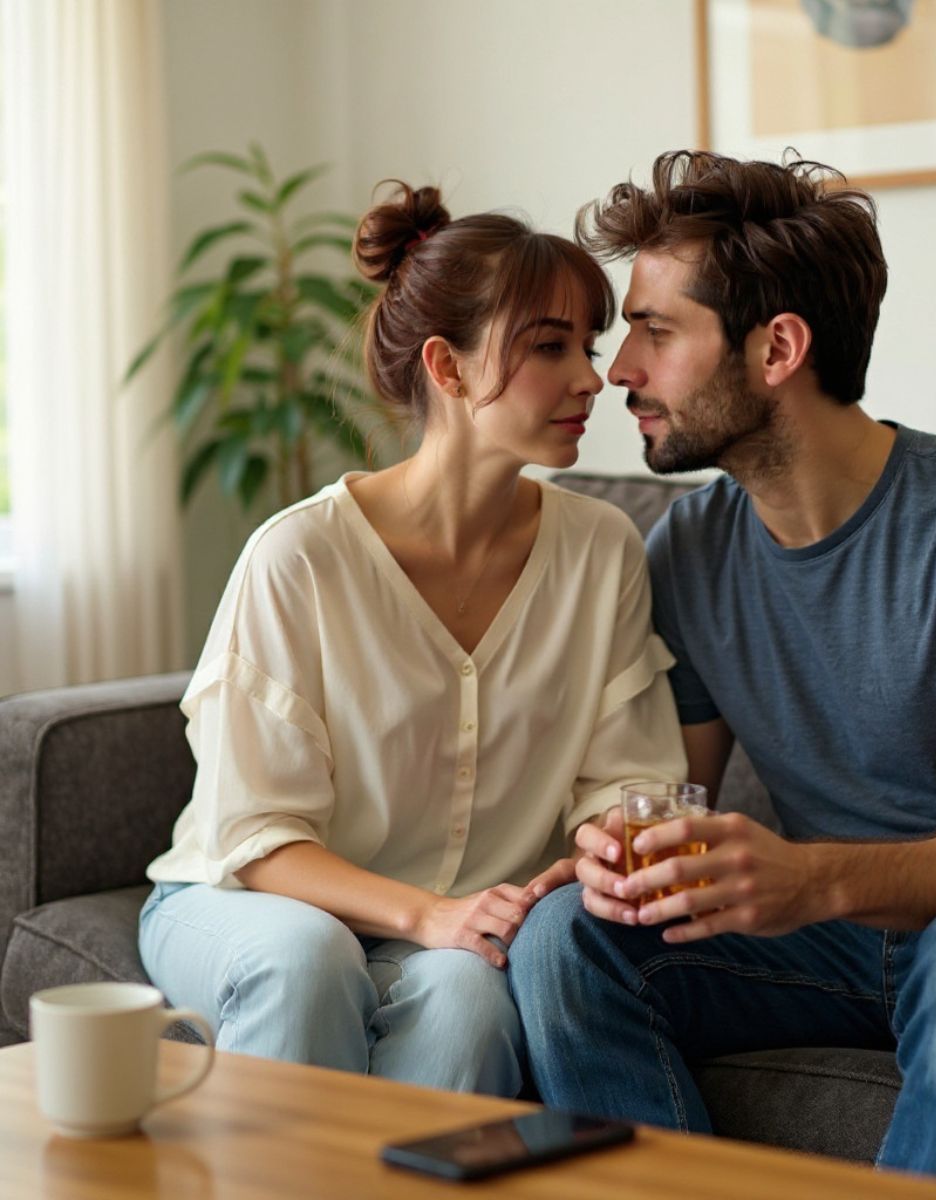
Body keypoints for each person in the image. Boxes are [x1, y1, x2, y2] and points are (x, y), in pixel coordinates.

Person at [507, 151, 936, 1188]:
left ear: (778, 347)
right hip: (836, 942)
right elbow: (661, 789)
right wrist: (610, 852)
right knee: (571, 937)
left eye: (655, 331)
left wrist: (816, 876)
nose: (619, 374)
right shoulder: (686, 553)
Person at [137, 181, 686, 1097]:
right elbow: (257, 836)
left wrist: (602, 848)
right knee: (309, 959)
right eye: (550, 347)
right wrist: (430, 913)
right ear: (447, 367)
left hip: (459, 926)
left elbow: (624, 779)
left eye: (585, 348)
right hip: (246, 901)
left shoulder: (602, 550)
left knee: (472, 999)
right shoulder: (299, 558)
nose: (592, 378)